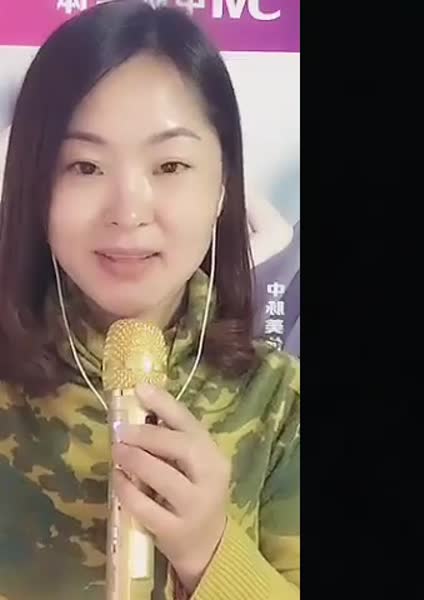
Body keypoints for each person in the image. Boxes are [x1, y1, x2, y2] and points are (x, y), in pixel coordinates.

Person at [0, 2, 299, 599]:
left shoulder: (278, 405)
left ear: (223, 186)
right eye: (85, 166)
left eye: (170, 164)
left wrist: (211, 552)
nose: (128, 212)